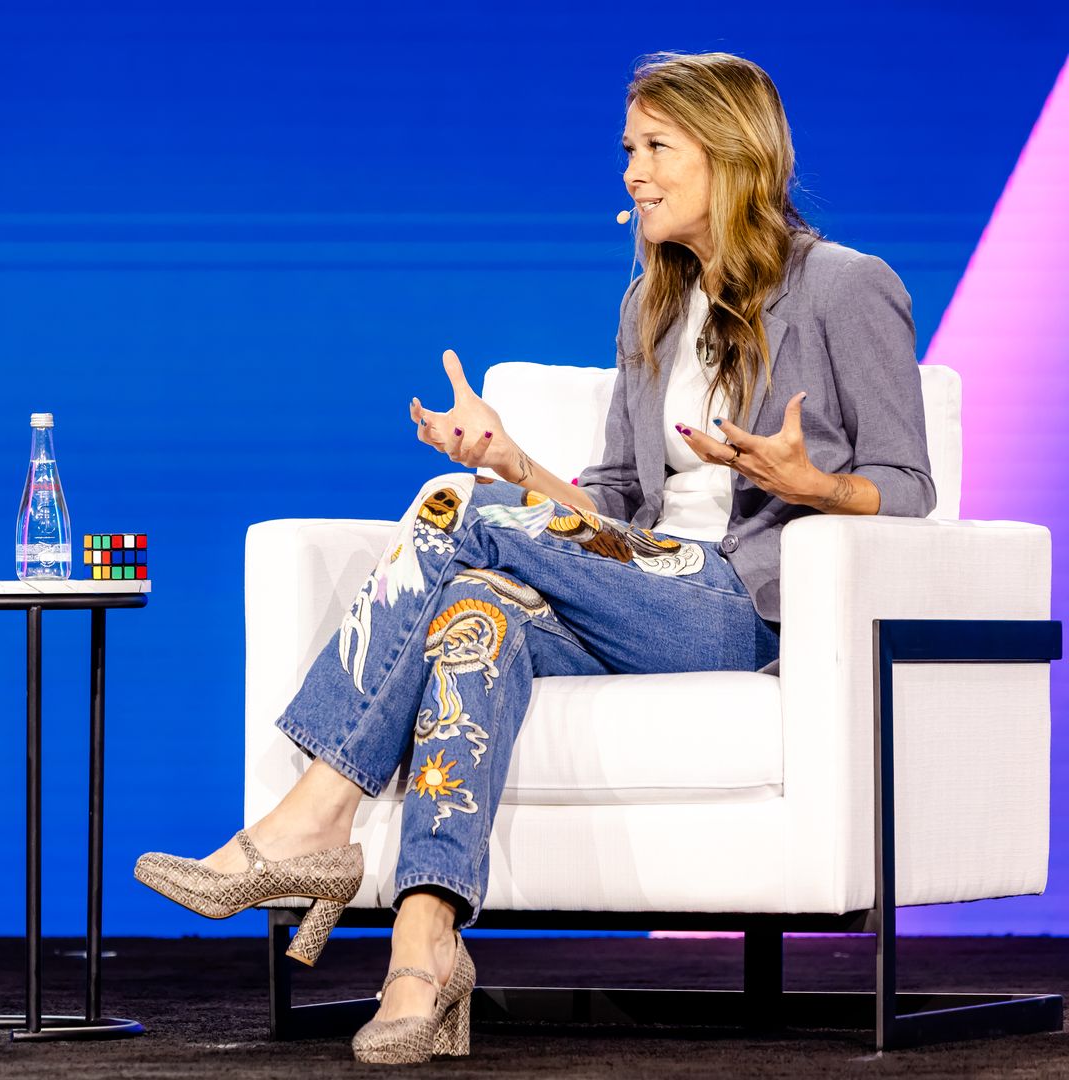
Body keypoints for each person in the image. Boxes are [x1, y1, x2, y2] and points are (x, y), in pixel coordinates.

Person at [134, 51, 934, 1065]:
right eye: (627, 152)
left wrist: (812, 484)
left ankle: (313, 820)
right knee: (476, 617)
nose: (633, 173)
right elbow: (606, 510)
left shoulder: (845, 287)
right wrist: (513, 462)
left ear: (732, 154)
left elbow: (910, 487)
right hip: (631, 582)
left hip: (734, 602)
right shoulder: (650, 308)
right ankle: (425, 955)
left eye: (656, 149)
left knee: (464, 519)